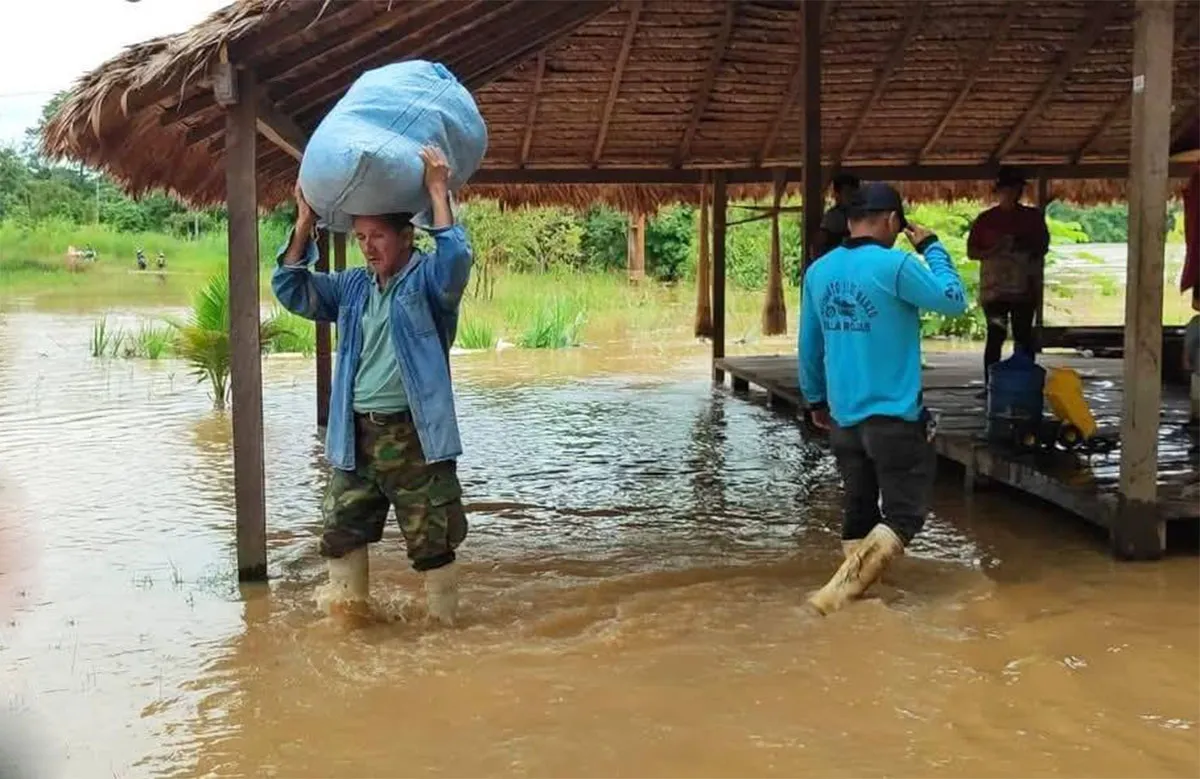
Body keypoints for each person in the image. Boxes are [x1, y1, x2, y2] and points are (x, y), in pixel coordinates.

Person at [271, 145, 472, 626]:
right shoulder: (354, 287)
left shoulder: (427, 283)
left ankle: (444, 638)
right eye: (361, 237)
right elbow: (291, 288)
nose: (368, 246)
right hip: (355, 437)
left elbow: (456, 261)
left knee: (433, 541)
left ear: (406, 237)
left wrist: (438, 191)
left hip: (416, 439)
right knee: (340, 533)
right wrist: (305, 223)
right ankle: (350, 628)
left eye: (377, 235)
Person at [798, 182, 967, 616]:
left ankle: (860, 605)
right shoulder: (896, 265)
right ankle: (836, 596)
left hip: (844, 419)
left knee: (859, 510)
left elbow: (809, 346)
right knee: (904, 515)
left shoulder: (819, 272)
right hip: (894, 416)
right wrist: (932, 248)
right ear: (892, 220)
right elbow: (954, 301)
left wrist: (815, 400)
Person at [967, 167, 1050, 390]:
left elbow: (1042, 247)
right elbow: (972, 252)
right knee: (996, 335)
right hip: (995, 291)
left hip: (1024, 289)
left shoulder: (1032, 218)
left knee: (1023, 336)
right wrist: (995, 249)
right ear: (998, 192)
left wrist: (1020, 245)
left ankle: (1025, 385)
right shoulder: (985, 220)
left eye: (1015, 190)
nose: (1011, 194)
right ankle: (991, 386)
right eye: (1007, 190)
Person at [813, 172, 860, 259]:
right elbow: (819, 243)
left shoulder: (861, 214)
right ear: (837, 195)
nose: (852, 197)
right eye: (848, 193)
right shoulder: (833, 216)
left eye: (855, 193)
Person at [1185, 290, 1199, 432]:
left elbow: (1189, 344)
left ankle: (1196, 420)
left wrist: (1186, 360)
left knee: (1197, 396)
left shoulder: (1196, 322)